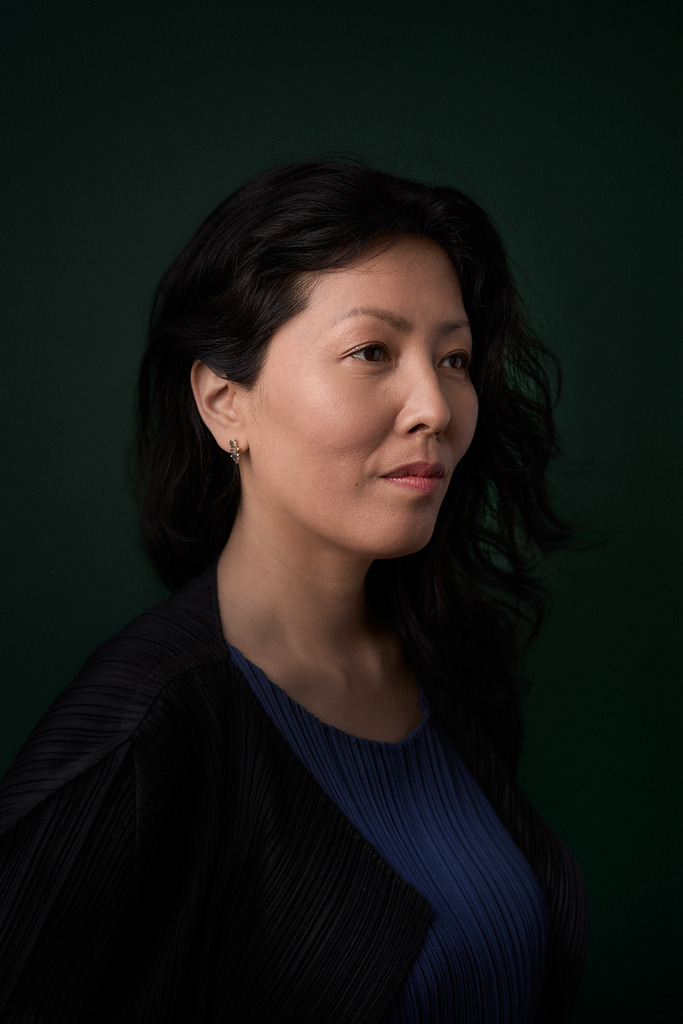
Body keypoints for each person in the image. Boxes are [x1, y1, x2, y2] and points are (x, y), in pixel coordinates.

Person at [0, 161, 589, 1023]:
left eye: (453, 358)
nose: (434, 406)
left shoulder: (454, 666)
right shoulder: (144, 735)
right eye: (370, 352)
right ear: (223, 402)